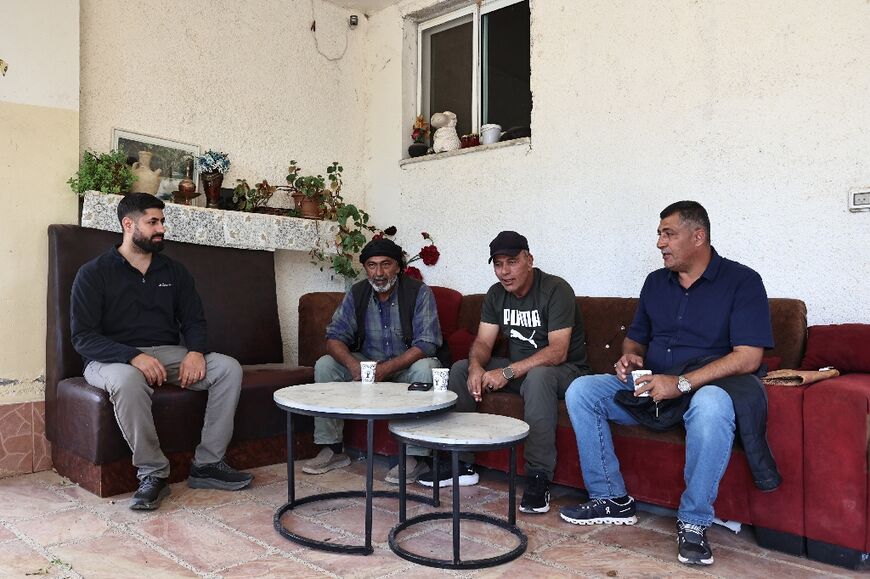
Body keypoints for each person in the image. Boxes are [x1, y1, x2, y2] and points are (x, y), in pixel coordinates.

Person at [560, 201, 776, 567]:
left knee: (712, 404)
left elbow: (749, 357)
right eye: (659, 234)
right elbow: (636, 339)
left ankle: (693, 522)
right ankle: (611, 498)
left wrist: (682, 383)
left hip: (702, 391)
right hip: (652, 389)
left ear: (698, 236)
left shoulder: (743, 282)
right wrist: (630, 357)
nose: (660, 243)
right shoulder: (655, 283)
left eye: (668, 234)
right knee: (583, 390)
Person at [70, 193, 252, 511]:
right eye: (152, 222)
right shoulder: (93, 273)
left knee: (227, 368)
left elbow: (194, 319)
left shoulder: (174, 271)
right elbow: (83, 337)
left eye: (162, 221)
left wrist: (196, 352)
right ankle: (153, 474)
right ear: (128, 224)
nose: (161, 229)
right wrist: (132, 356)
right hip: (109, 358)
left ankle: (208, 465)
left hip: (167, 353)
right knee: (127, 380)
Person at [419, 231, 590, 515]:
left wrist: (507, 372)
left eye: (512, 262)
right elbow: (484, 342)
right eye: (498, 264)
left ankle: (538, 476)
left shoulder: (555, 289)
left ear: (529, 260)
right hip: (521, 371)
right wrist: (476, 366)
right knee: (461, 369)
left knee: (539, 377)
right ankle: (460, 463)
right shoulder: (497, 294)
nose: (504, 272)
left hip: (564, 372)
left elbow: (558, 352)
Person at [302, 238, 443, 484]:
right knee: (326, 364)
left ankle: (414, 457)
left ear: (398, 267)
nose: (379, 273)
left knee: (427, 367)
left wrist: (386, 368)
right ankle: (333, 449)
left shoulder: (419, 292)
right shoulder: (357, 293)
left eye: (386, 264)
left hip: (405, 366)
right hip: (368, 364)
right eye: (372, 265)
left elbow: (427, 343)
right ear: (365, 268)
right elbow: (334, 337)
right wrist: (351, 364)